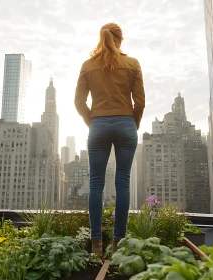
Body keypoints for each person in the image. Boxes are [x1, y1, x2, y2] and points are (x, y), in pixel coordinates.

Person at [74, 22, 145, 257]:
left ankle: (96, 245)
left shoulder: (88, 65)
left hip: (98, 125)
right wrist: (132, 124)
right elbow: (140, 102)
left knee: (96, 184)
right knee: (122, 183)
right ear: (120, 39)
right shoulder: (132, 63)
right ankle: (118, 243)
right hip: (126, 124)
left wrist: (92, 121)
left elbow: (79, 102)